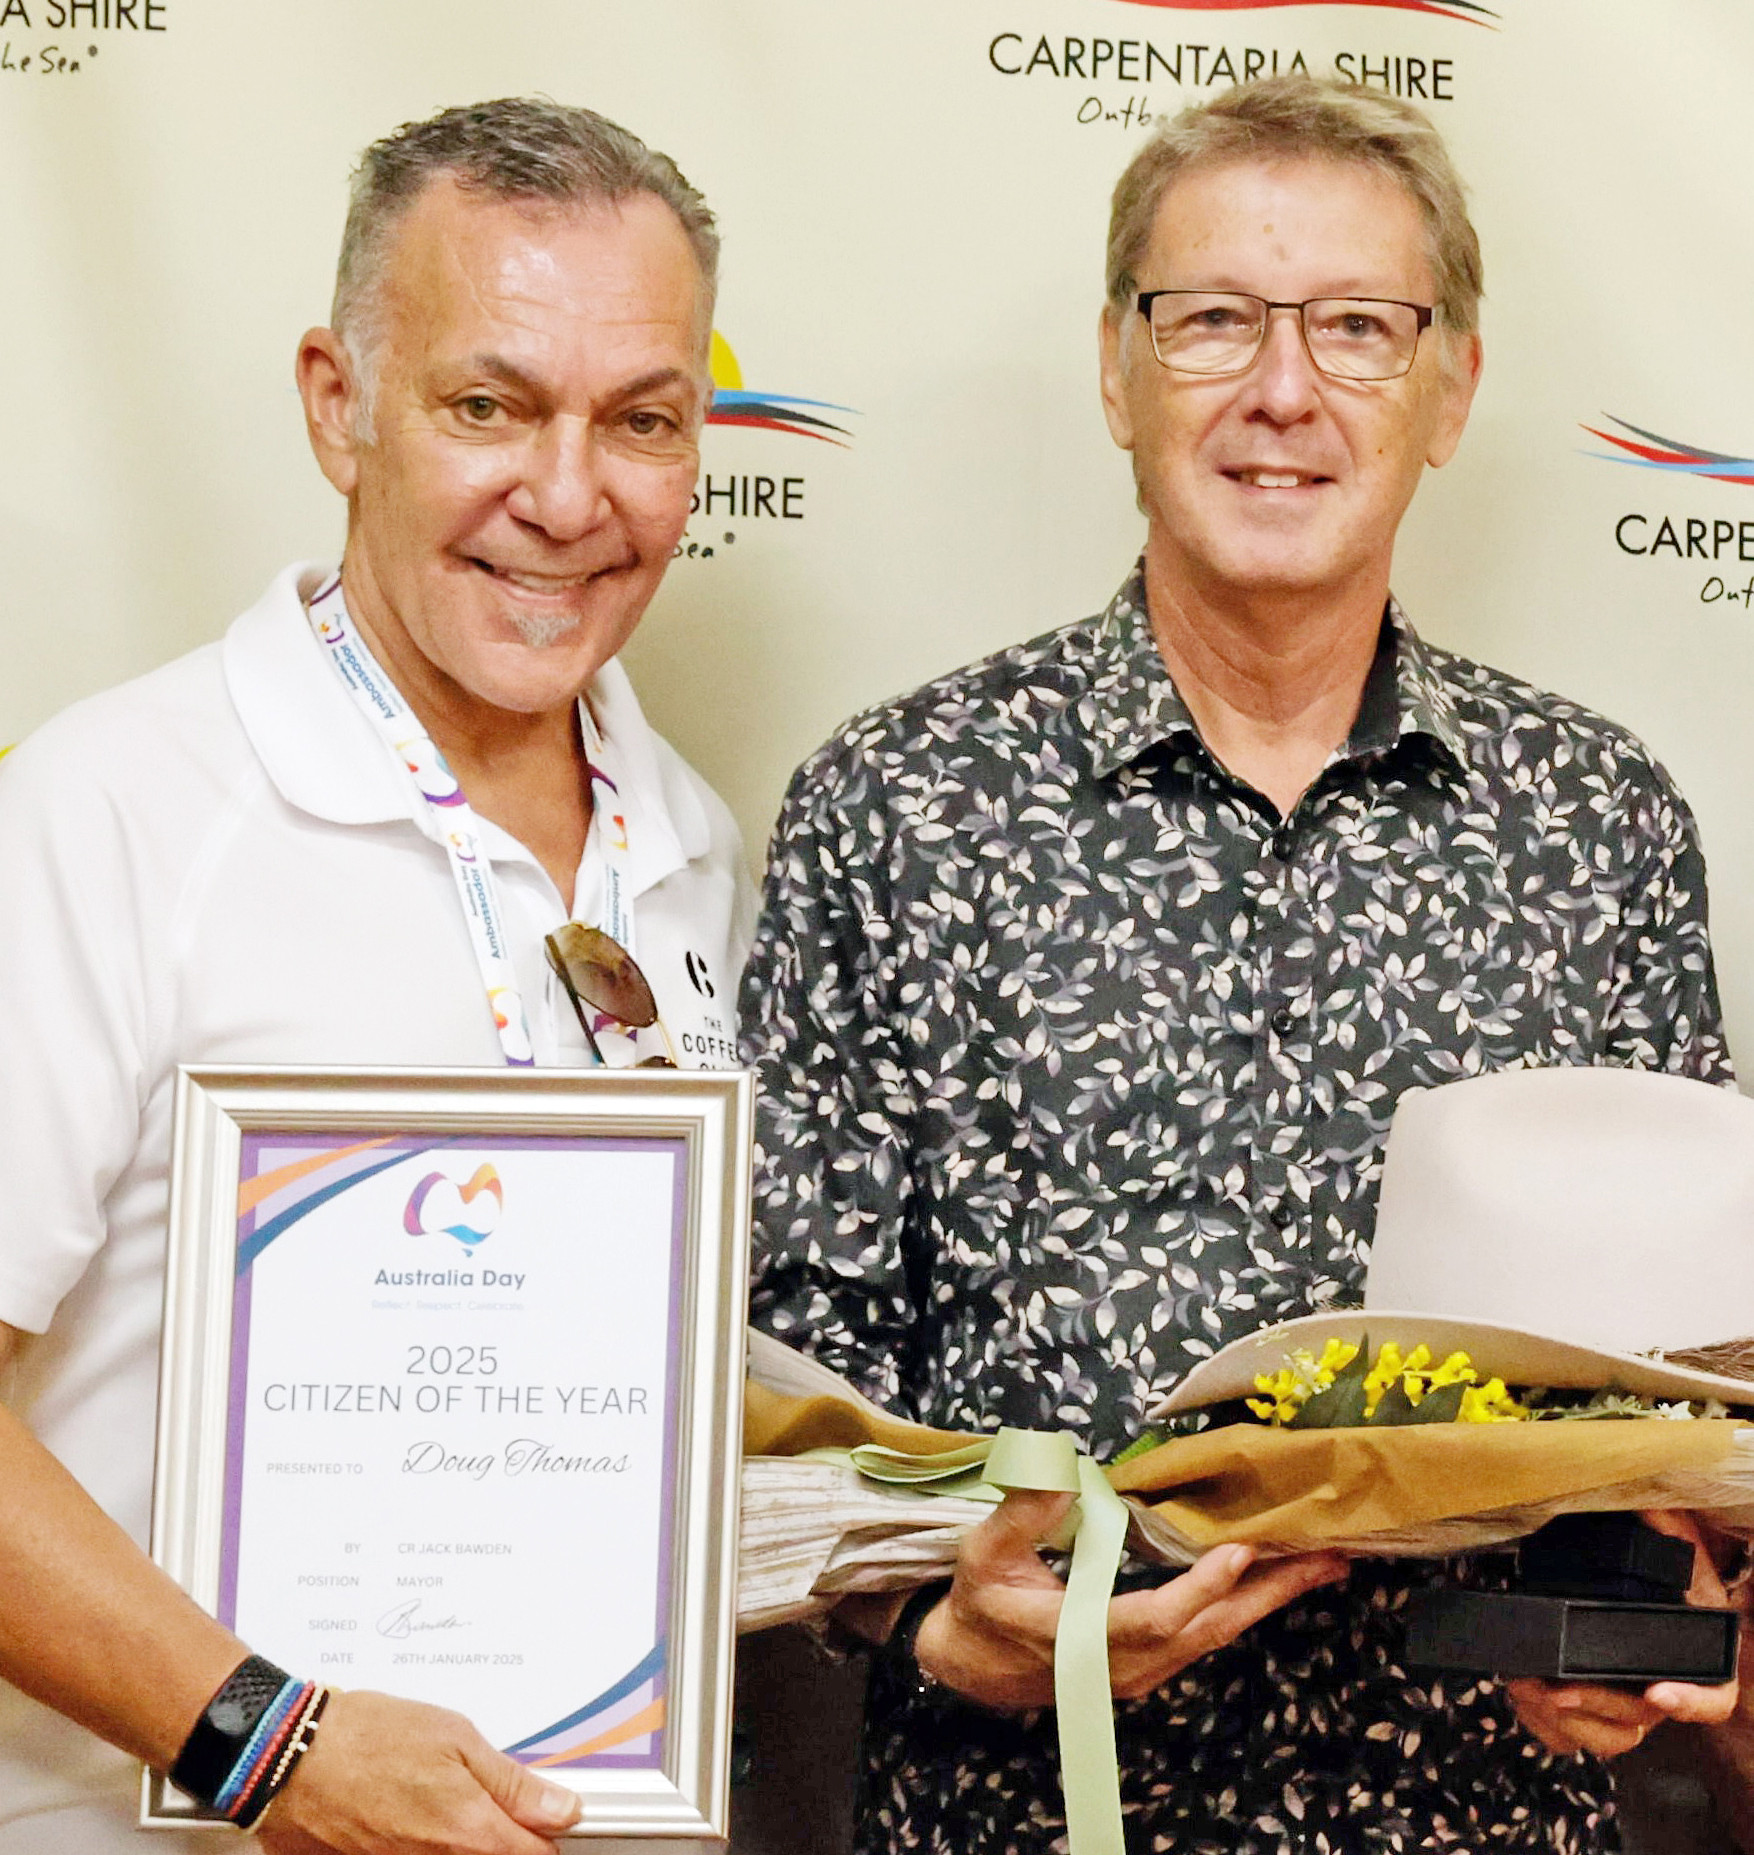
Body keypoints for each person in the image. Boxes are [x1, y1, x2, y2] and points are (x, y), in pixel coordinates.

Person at [741, 75, 1740, 1853]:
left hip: (1480, 1825)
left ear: (1452, 390)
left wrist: (1637, 1616)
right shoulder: (897, 807)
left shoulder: (1596, 823)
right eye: (1211, 320)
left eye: (1358, 327)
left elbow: (1689, 1388)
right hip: (1022, 1820)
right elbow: (785, 1402)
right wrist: (923, 1623)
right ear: (1116, 370)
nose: (1283, 392)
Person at [0, 98, 753, 1852]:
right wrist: (267, 1745)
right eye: (487, 406)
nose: (565, 498)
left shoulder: (693, 843)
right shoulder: (108, 809)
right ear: (341, 404)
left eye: (639, 421)